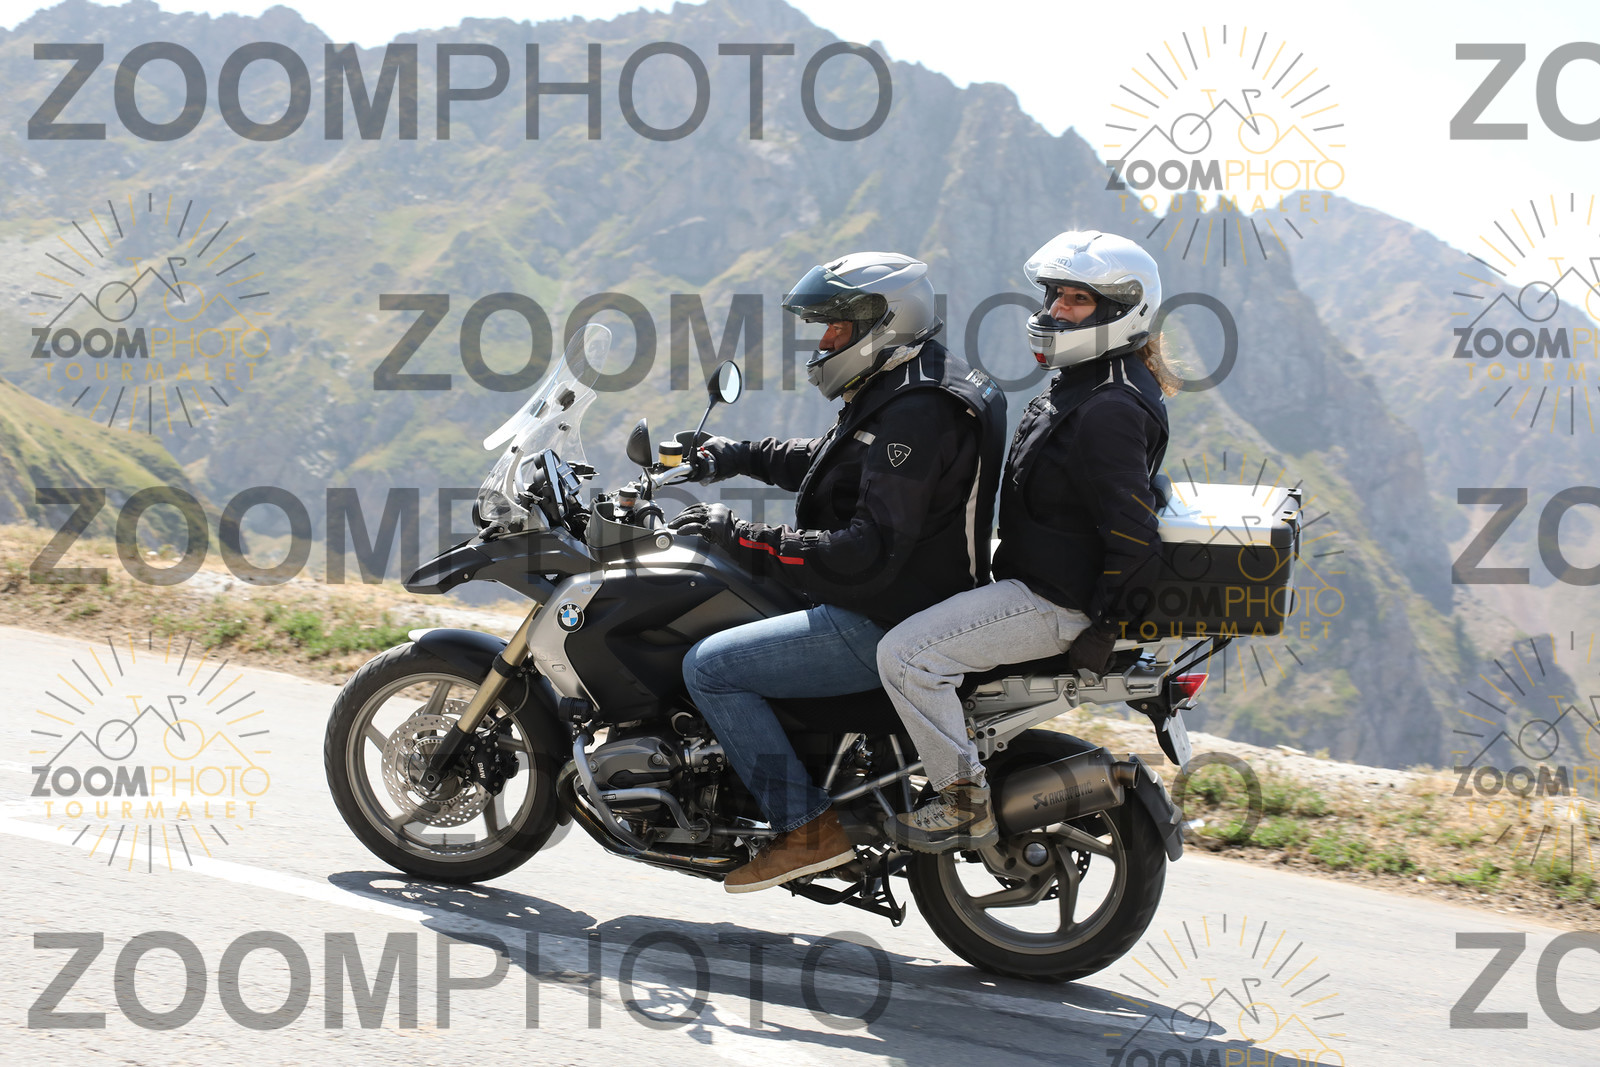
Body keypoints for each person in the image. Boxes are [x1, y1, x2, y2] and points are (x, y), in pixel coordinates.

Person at [672, 251, 1005, 892]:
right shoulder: (913, 380)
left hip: (886, 613)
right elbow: (837, 462)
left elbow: (863, 551)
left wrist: (741, 537)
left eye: (836, 327)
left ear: (885, 321)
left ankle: (806, 829)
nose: (824, 341)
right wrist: (735, 456)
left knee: (709, 669)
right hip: (910, 597)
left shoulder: (918, 411)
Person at [876, 230, 1181, 853]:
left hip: (1056, 599)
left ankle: (960, 799)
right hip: (1036, 569)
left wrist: (1103, 628)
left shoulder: (1111, 405)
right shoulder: (1092, 377)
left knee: (906, 658)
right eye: (1055, 295)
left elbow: (1134, 533)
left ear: (1124, 311)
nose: (1056, 310)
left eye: (1078, 300)